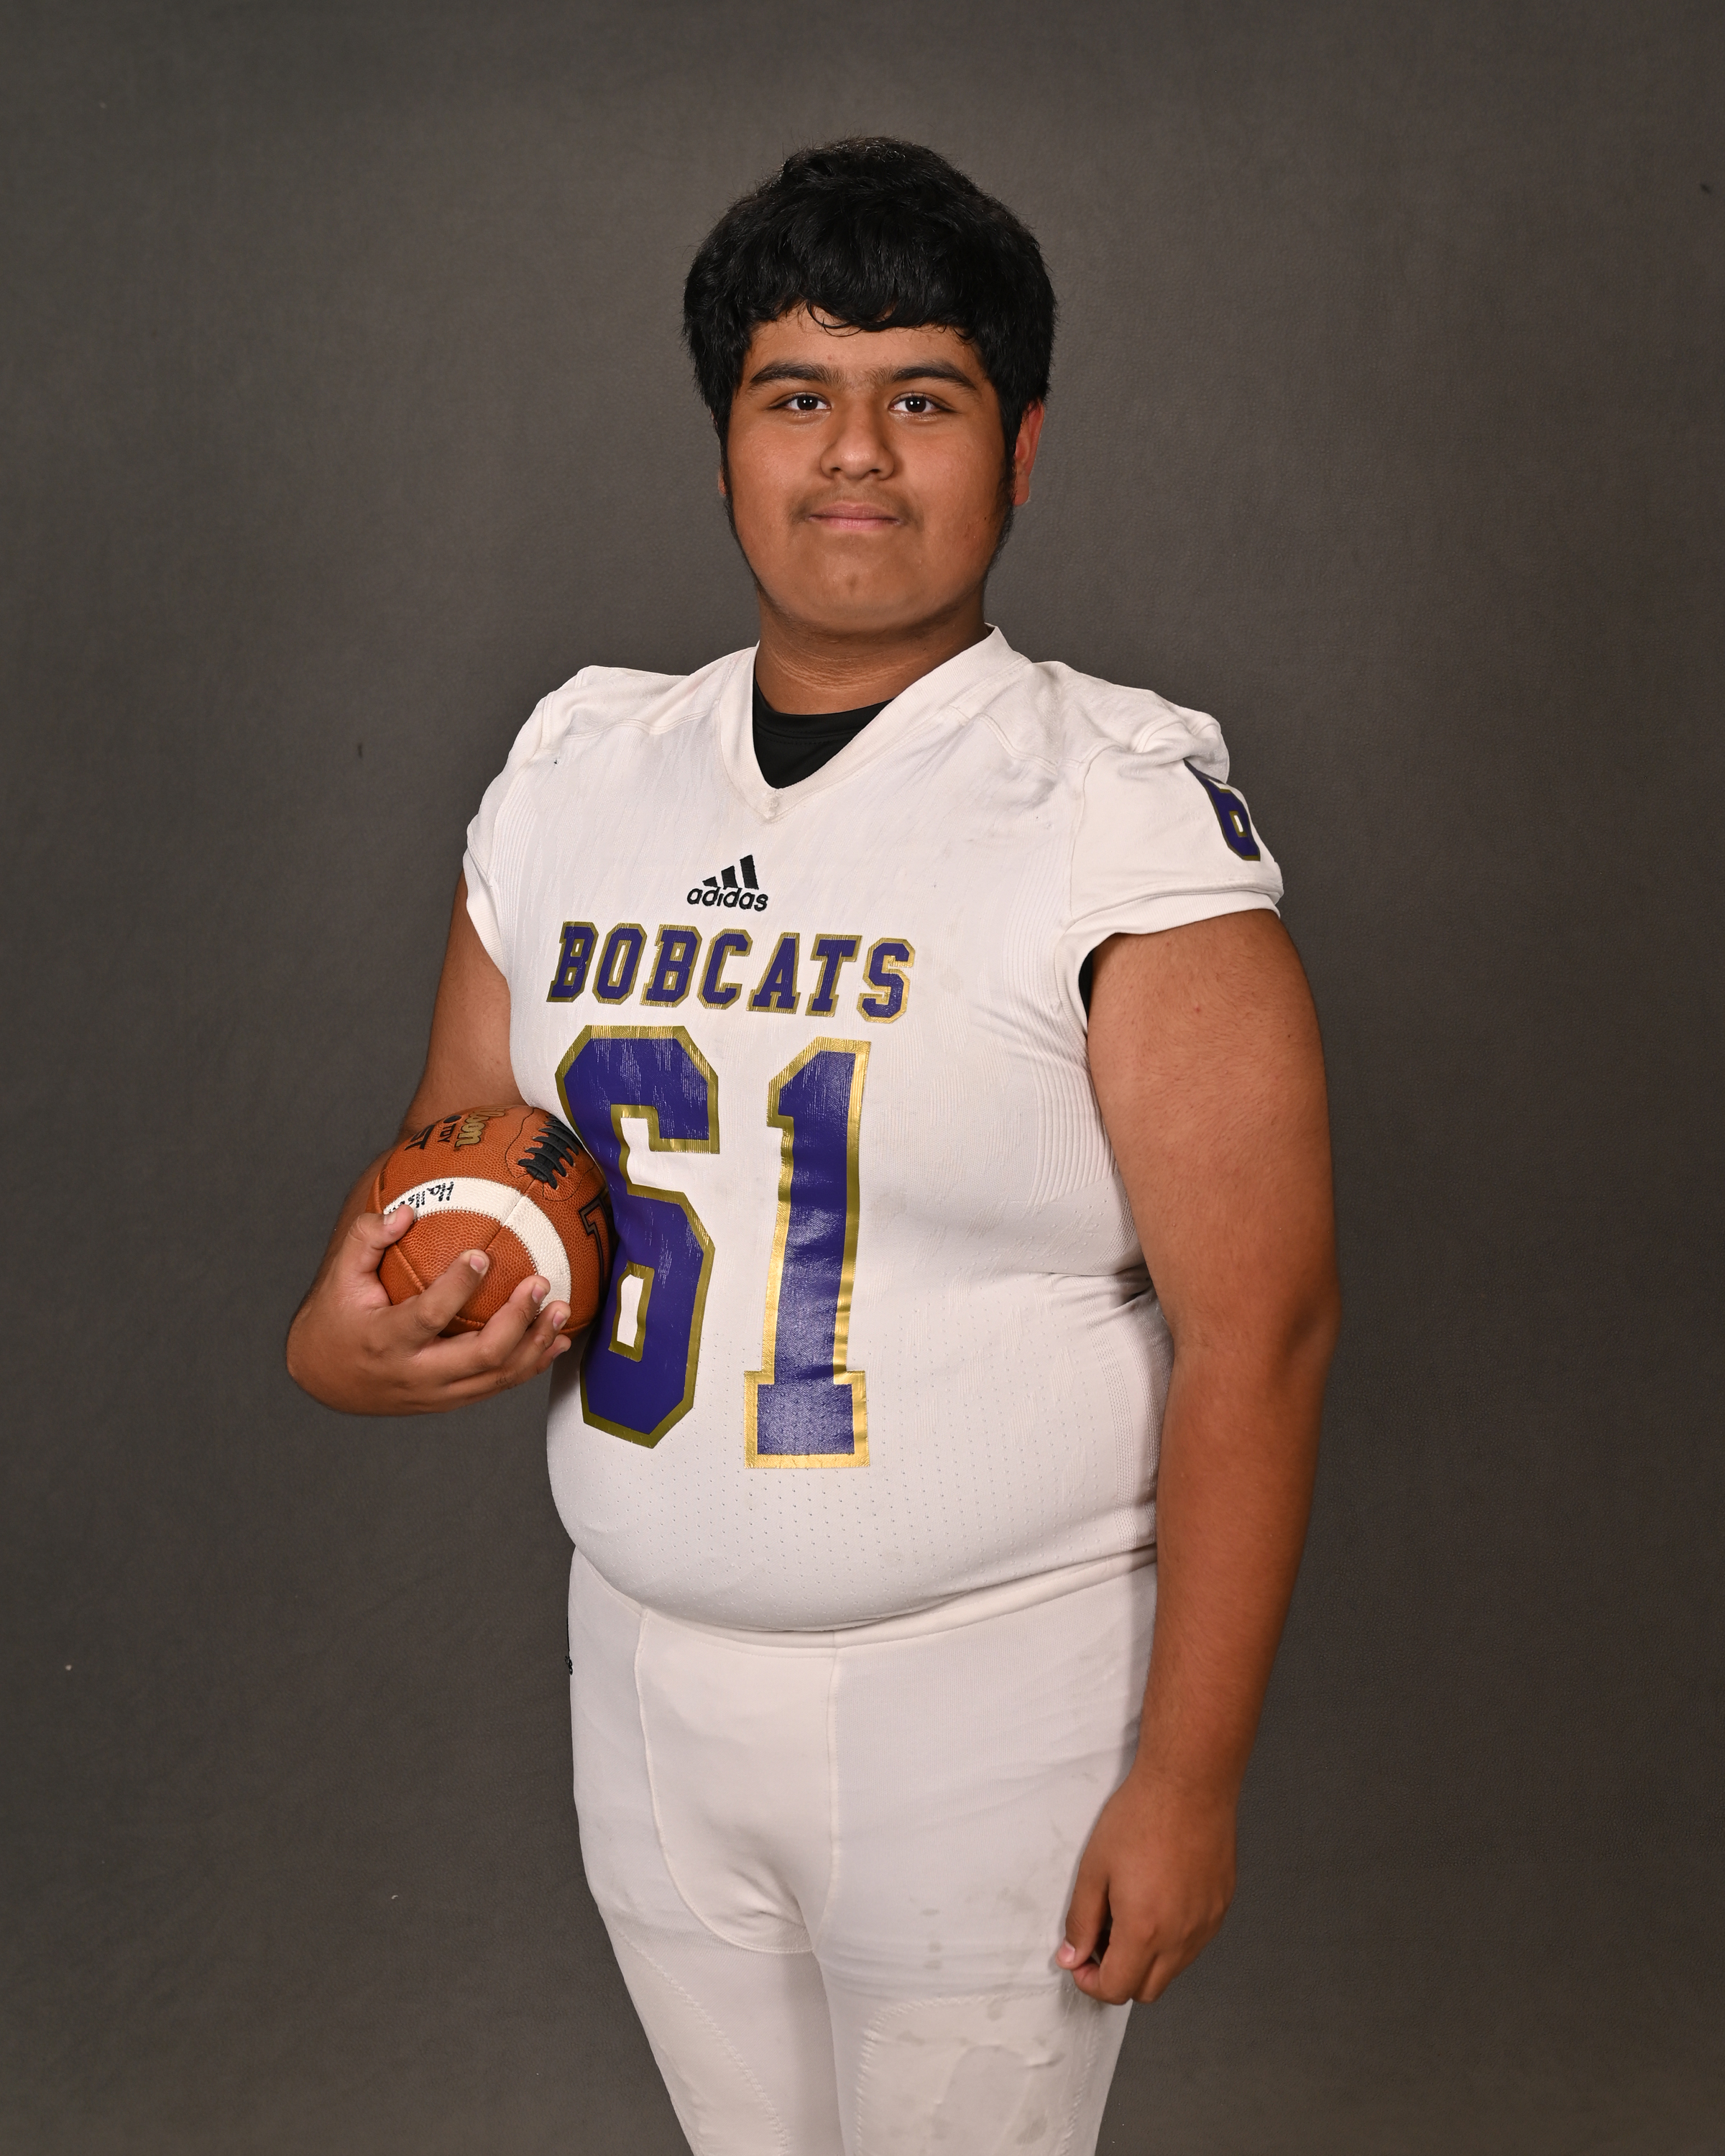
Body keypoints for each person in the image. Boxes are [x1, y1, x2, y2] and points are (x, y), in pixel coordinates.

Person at [288, 137, 1339, 2156]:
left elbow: (1263, 1333)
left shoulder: (1109, 809)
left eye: (921, 396)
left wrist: (1187, 1776)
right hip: (645, 1679)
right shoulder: (580, 770)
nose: (855, 452)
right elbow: (462, 1168)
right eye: (798, 395)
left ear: (1020, 450)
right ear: (725, 449)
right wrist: (351, 1334)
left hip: (991, 1694)